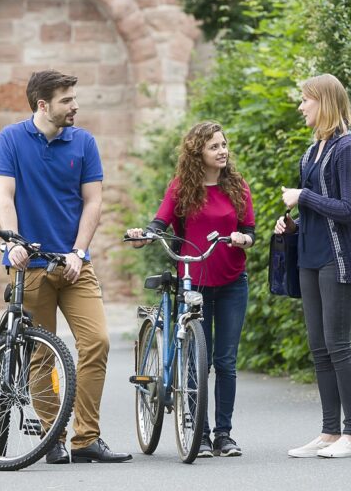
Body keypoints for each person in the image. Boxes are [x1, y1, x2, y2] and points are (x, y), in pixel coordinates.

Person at [0, 69, 131, 464]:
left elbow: (93, 202)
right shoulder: (11, 139)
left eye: (74, 98)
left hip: (73, 264)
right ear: (43, 105)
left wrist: (78, 251)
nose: (75, 106)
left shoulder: (84, 142)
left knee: (97, 341)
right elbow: (5, 196)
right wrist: (12, 242)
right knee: (41, 353)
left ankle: (86, 438)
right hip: (30, 264)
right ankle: (52, 437)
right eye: (67, 100)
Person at [126, 121, 256, 457]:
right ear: (198, 152)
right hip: (193, 282)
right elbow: (159, 223)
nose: (222, 151)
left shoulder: (238, 186)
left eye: (224, 145)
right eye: (214, 147)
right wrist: (144, 236)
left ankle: (224, 434)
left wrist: (243, 239)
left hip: (232, 283)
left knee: (226, 361)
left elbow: (249, 230)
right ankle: (201, 435)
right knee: (199, 361)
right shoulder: (182, 188)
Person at [275, 73, 351, 458]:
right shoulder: (312, 150)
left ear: (324, 102)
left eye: (306, 100)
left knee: (338, 345)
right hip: (309, 258)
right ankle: (330, 433)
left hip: (337, 258)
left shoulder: (348, 148)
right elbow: (317, 211)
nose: (301, 106)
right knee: (319, 348)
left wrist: (304, 197)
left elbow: (350, 210)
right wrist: (293, 224)